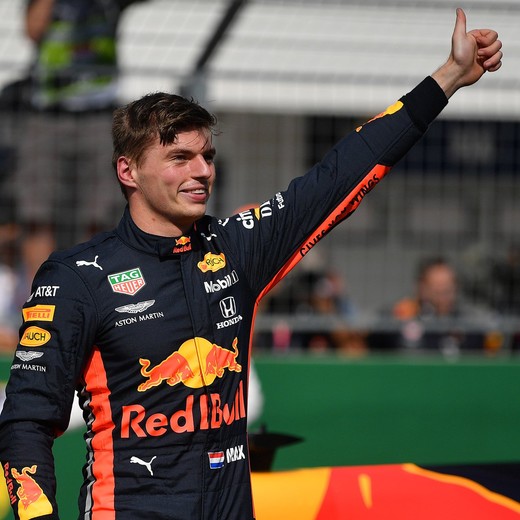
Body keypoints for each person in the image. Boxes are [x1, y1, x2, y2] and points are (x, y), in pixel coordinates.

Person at [0, 9, 502, 519]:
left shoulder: (236, 247)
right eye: (179, 158)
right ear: (128, 171)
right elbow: (25, 422)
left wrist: (449, 77)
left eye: (208, 156)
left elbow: (343, 171)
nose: (202, 171)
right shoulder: (76, 276)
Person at [14, 0, 142, 275]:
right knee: (36, 213)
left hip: (100, 113)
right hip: (47, 112)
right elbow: (33, 30)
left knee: (100, 213)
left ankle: (91, 289)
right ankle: (41, 292)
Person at [377, 256, 499, 354]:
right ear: (422, 288)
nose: (444, 297)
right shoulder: (399, 318)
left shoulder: (470, 324)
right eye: (437, 290)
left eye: (448, 290)